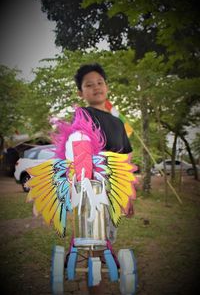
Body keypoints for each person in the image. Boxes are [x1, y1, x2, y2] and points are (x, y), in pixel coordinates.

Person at [74, 63, 134, 294]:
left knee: (108, 235)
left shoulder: (119, 123)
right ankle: (96, 287)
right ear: (81, 93)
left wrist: (129, 194)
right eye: (89, 85)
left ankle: (105, 261)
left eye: (100, 82)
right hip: (92, 187)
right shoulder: (83, 114)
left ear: (106, 86)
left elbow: (126, 160)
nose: (96, 87)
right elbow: (79, 149)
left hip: (115, 188)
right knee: (93, 241)